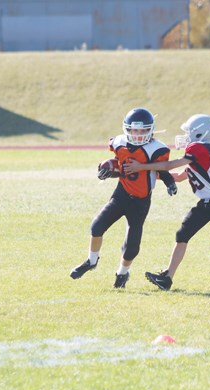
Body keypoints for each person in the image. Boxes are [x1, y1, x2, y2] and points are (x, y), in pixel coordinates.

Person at [124, 114, 210, 291]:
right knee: (182, 235)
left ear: (200, 133)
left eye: (188, 132)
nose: (186, 135)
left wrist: (142, 167)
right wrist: (144, 174)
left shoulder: (199, 148)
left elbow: (170, 166)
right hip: (208, 202)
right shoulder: (204, 151)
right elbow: (179, 177)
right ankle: (167, 278)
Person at [70, 108, 178, 288]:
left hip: (141, 201)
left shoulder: (156, 149)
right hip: (121, 195)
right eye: (134, 130)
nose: (137, 134)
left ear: (150, 129)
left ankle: (122, 274)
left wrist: (170, 183)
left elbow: (162, 168)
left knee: (131, 247)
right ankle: (91, 261)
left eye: (142, 130)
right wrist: (106, 169)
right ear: (127, 129)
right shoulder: (118, 142)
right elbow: (118, 161)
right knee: (96, 226)